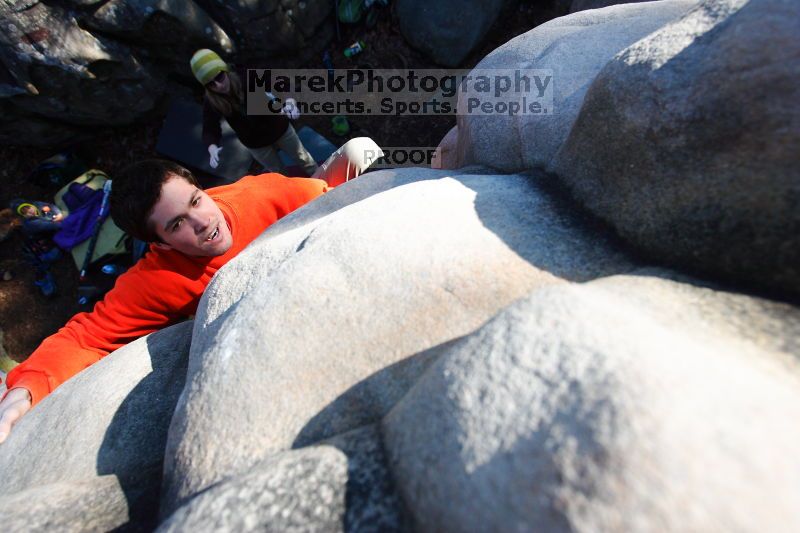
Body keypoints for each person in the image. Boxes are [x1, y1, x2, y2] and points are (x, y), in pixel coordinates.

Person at [0, 138, 383, 444]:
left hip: (302, 202)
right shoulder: (157, 277)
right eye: (177, 223)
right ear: (160, 244)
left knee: (359, 148)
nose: (204, 222)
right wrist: (26, 390)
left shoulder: (257, 195)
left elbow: (323, 197)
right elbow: (87, 337)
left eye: (196, 200)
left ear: (201, 188)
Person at [192, 49, 318, 176]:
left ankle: (324, 182)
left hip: (278, 128)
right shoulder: (212, 101)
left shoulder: (245, 75)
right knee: (278, 174)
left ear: (225, 70)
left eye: (219, 77)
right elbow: (210, 126)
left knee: (304, 159)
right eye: (211, 84)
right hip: (256, 144)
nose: (219, 85)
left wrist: (289, 101)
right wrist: (212, 147)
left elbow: (278, 82)